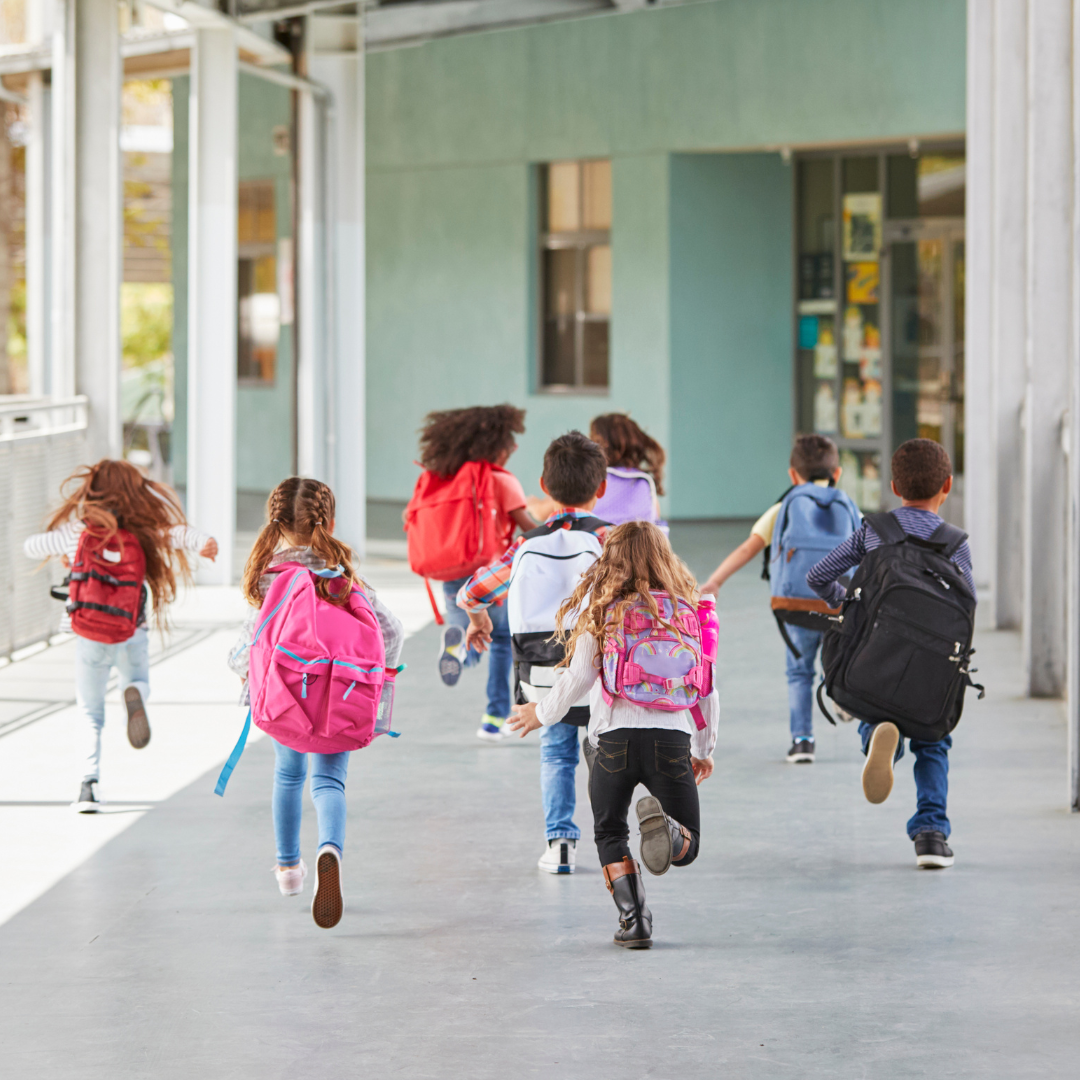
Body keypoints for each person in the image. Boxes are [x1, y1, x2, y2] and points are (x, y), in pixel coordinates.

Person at [508, 521, 718, 948]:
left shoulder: (604, 608)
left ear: (611, 561)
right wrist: (703, 748)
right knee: (690, 845)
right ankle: (672, 834)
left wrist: (541, 713)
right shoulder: (687, 612)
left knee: (609, 832)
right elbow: (707, 686)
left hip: (612, 741)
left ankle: (634, 919)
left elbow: (577, 677)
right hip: (671, 739)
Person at [228, 477, 404, 927]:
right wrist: (376, 682)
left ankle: (289, 869)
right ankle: (330, 849)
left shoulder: (271, 577)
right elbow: (391, 631)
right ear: (328, 521)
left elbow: (246, 644)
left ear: (275, 522)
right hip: (339, 699)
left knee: (287, 775)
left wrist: (246, 670)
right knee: (329, 783)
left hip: (285, 699)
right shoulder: (342, 576)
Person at [807, 439, 973, 870]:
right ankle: (931, 836)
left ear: (895, 486)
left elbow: (818, 576)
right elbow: (966, 607)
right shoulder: (955, 543)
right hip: (931, 667)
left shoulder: (875, 530)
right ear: (948, 486)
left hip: (874, 658)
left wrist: (854, 605)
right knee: (934, 739)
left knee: (875, 709)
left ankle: (879, 739)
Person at [23, 459, 216, 812]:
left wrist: (69, 557)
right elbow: (179, 534)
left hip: (89, 634)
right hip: (131, 629)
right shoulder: (143, 531)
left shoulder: (77, 533)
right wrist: (205, 543)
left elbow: (30, 546)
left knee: (89, 711)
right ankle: (134, 692)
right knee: (139, 678)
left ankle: (88, 786)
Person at [460, 431, 609, 874]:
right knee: (604, 750)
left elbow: (472, 592)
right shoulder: (613, 539)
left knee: (557, 752)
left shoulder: (526, 544)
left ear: (543, 485)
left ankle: (560, 844)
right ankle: (612, 838)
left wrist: (479, 619)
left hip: (543, 675)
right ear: (601, 489)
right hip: (604, 672)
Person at [700, 435, 858, 764]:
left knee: (800, 672)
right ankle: (841, 694)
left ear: (792, 474)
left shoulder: (784, 506)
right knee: (840, 659)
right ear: (837, 473)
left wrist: (715, 581)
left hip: (796, 604)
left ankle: (802, 742)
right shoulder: (849, 506)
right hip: (839, 602)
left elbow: (749, 547)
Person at [408, 405, 535, 741]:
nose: (513, 449)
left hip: (452, 574)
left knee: (468, 634)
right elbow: (529, 528)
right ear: (495, 447)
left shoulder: (446, 479)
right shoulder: (501, 480)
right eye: (509, 444)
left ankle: (457, 654)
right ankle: (494, 718)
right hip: (492, 577)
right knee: (502, 641)